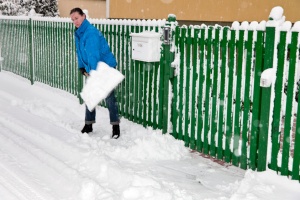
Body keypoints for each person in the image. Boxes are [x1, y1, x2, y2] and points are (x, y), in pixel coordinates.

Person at [70, 7, 120, 139]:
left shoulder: (90, 33)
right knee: (90, 96)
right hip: (93, 68)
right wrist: (82, 66)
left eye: (77, 18)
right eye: (73, 19)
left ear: (84, 16)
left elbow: (93, 55)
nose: (75, 21)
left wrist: (94, 73)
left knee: (109, 98)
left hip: (104, 67)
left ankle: (116, 127)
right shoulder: (79, 33)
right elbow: (80, 52)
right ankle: (89, 124)